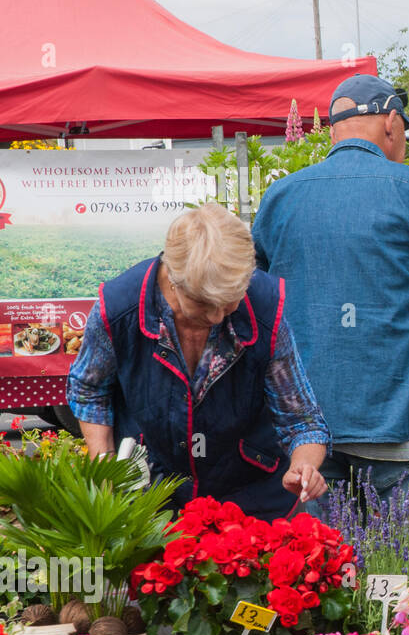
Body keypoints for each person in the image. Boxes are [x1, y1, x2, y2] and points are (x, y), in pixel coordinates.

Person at [254, 73, 409, 513]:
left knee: (319, 574)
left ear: (334, 130)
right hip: (398, 419)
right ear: (391, 124)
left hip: (306, 435)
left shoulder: (280, 196)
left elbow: (253, 302)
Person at [67, 203, 330, 518]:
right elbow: (88, 388)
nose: (218, 316)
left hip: (251, 497)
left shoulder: (264, 308)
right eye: (204, 304)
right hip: (153, 494)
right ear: (174, 281)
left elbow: (302, 420)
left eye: (229, 302)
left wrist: (303, 467)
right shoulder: (120, 307)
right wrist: (107, 463)